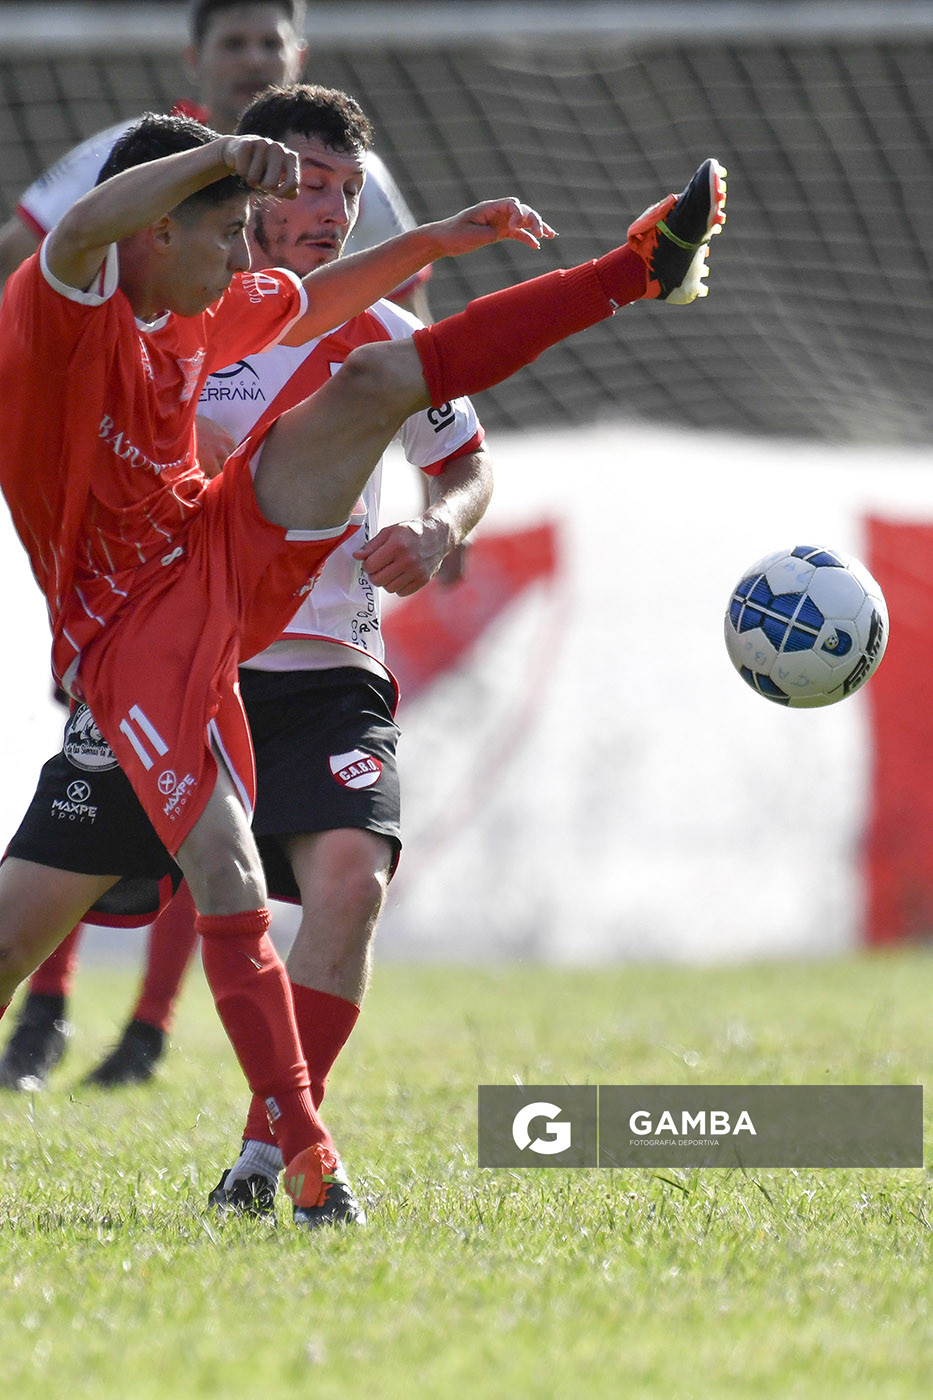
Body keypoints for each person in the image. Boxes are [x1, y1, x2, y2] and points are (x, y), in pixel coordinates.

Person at [0, 105, 727, 1227]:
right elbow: (86, 222)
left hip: (221, 563)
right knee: (112, 910)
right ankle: (304, 1149)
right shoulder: (67, 307)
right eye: (229, 228)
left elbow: (335, 314)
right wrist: (222, 155)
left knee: (378, 377)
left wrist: (436, 242)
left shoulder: (205, 304)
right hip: (126, 637)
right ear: (156, 233)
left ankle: (632, 271)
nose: (250, 251)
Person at [0, 85, 491, 1233]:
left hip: (327, 673)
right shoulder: (165, 317)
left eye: (347, 190)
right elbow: (74, 256)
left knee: (348, 883)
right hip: (175, 665)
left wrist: (440, 525)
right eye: (304, 183)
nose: (327, 207)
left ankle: (274, 1154)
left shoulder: (371, 329)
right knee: (20, 930)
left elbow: (467, 460)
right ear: (251, 198)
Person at [0, 0, 431, 319]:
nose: (254, 60)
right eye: (233, 44)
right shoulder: (133, 151)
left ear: (298, 58)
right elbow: (14, 254)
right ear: (194, 58)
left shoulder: (355, 174)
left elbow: (407, 306)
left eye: (269, 43)